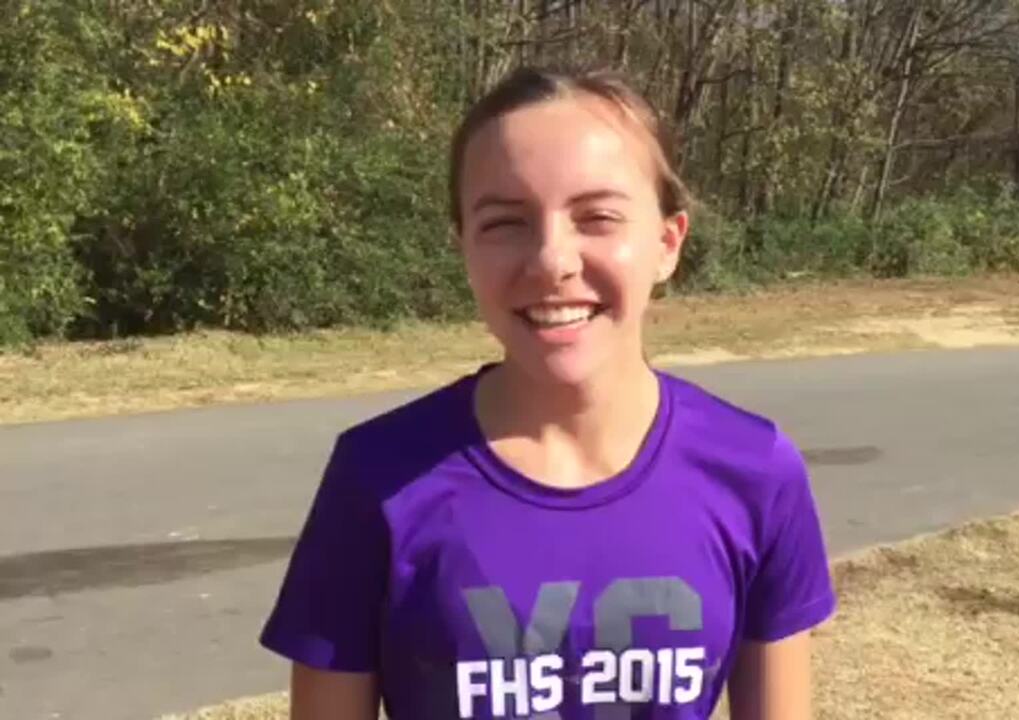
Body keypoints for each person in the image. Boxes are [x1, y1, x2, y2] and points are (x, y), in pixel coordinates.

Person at [260, 66, 836, 720]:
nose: (551, 261)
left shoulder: (754, 470)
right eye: (505, 223)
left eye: (597, 217)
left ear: (667, 242)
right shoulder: (377, 477)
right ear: (463, 246)